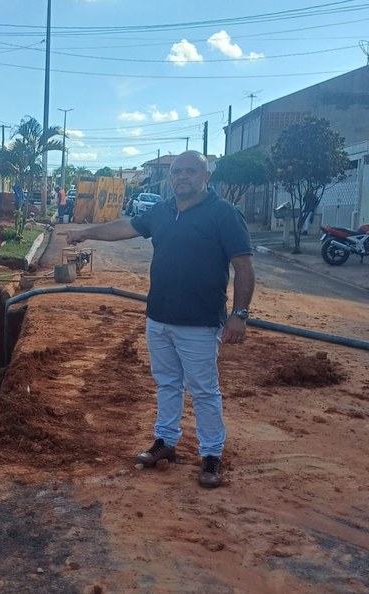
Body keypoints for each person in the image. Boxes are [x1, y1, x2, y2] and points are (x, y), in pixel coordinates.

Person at [65, 151, 255, 488]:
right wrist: (87, 232)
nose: (182, 177)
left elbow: (244, 267)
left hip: (199, 322)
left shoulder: (224, 214)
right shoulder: (162, 211)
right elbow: (125, 227)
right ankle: (165, 442)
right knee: (167, 384)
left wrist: (239, 315)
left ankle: (211, 455)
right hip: (159, 317)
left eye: (191, 171)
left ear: (206, 176)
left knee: (203, 391)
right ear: (171, 177)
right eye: (177, 172)